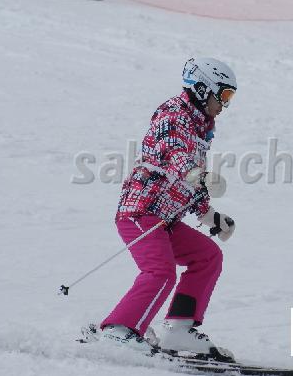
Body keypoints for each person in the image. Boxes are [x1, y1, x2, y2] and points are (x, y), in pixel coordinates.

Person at [99, 57, 237, 358]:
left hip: (164, 220)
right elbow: (176, 155)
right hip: (141, 211)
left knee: (208, 256)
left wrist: (210, 215)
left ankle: (179, 330)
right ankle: (118, 329)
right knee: (160, 271)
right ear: (203, 89)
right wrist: (200, 175)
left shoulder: (201, 129)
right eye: (224, 95)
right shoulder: (173, 114)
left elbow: (188, 182)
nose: (225, 105)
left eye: (230, 97)